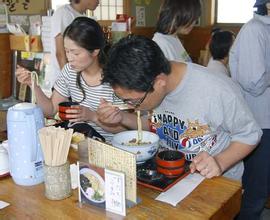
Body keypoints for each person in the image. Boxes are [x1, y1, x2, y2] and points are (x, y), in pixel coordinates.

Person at [97, 35, 262, 181]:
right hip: (170, 175)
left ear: (159, 82)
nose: (130, 105)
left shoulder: (216, 89)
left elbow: (250, 134)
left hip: (215, 181)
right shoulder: (151, 88)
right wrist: (122, 118)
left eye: (134, 102)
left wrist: (219, 161)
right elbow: (156, 125)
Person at [16, 17, 125, 142]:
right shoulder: (70, 71)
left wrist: (92, 116)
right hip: (82, 146)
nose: (69, 58)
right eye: (67, 51)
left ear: (95, 51)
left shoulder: (115, 78)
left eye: (75, 53)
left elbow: (126, 129)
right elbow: (50, 111)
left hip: (112, 149)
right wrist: (33, 84)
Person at [229, 0, 270, 219]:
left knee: (260, 184)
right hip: (258, 122)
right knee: (255, 188)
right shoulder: (255, 30)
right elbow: (254, 83)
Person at [49, 0, 99, 89]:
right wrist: (70, 82)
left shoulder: (83, 17)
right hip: (64, 81)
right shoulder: (64, 13)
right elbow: (60, 54)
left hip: (78, 82)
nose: (99, 1)